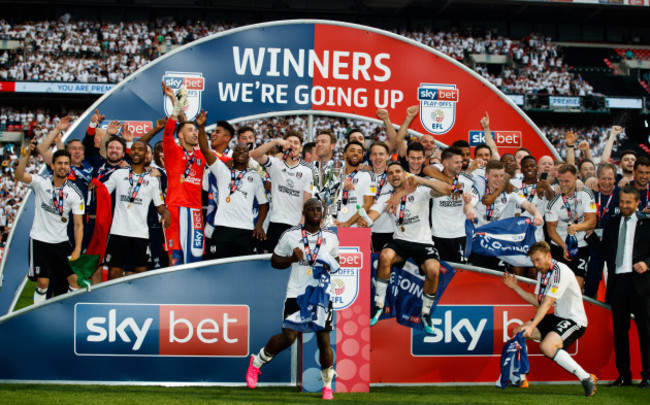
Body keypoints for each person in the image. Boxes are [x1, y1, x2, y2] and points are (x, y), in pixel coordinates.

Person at [246, 199, 339, 400]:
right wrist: (291, 259)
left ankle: (327, 386)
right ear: (304, 212)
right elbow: (275, 261)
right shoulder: (290, 235)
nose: (316, 212)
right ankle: (257, 362)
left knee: (324, 340)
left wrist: (328, 265)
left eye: (318, 209)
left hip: (320, 294)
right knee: (288, 337)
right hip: (296, 293)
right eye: (311, 209)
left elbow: (337, 261)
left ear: (322, 214)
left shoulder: (331, 237)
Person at [363, 162, 452, 334]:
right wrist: (364, 220)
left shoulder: (421, 191)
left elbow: (447, 189)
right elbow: (371, 218)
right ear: (387, 178)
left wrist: (420, 180)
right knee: (384, 256)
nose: (394, 175)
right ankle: (379, 304)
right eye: (390, 173)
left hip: (424, 242)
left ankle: (425, 313)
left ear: (405, 174)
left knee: (434, 271)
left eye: (398, 171)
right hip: (400, 241)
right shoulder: (385, 197)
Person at [502, 241, 597, 397]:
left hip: (575, 320)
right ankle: (520, 379)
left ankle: (586, 378)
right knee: (518, 331)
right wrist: (516, 288)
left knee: (547, 346)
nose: (536, 264)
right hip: (559, 317)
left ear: (548, 256)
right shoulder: (543, 273)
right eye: (533, 262)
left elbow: (547, 303)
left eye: (538, 260)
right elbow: (538, 300)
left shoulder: (561, 271)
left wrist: (532, 327)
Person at [587, 185, 650, 388]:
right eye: (621, 202)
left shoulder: (647, 223)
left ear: (637, 203)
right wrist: (591, 236)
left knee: (646, 332)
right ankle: (624, 376)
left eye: (628, 202)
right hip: (618, 284)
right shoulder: (612, 223)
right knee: (620, 332)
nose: (624, 205)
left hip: (641, 284)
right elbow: (605, 251)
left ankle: (648, 376)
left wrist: (648, 263)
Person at [16, 143, 84, 304]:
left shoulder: (74, 193)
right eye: (59, 163)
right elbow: (19, 175)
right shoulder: (40, 182)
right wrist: (26, 155)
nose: (63, 167)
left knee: (75, 281)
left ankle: (67, 315)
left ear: (69, 167)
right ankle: (38, 314)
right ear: (53, 165)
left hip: (61, 243)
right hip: (39, 241)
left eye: (66, 164)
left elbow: (78, 225)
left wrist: (77, 249)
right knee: (43, 282)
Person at [197, 110, 269, 258]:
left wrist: (259, 225)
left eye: (244, 150)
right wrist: (202, 127)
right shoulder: (222, 170)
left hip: (246, 230)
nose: (241, 152)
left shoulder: (254, 177)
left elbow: (263, 204)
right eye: (238, 150)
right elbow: (205, 149)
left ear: (248, 155)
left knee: (243, 270)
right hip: (223, 228)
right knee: (217, 267)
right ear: (233, 154)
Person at [102, 141, 171, 279]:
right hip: (118, 231)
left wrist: (165, 212)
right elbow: (103, 192)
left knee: (141, 274)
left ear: (145, 154)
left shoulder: (152, 179)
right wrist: (96, 184)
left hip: (140, 233)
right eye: (133, 149)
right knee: (114, 273)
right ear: (129, 152)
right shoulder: (118, 174)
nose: (136, 152)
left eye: (140, 149)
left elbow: (159, 204)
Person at [161, 82, 206, 265]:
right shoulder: (172, 149)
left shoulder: (202, 154)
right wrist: (175, 102)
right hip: (174, 208)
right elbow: (170, 129)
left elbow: (226, 160)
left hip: (195, 209)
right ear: (180, 136)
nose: (195, 132)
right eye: (190, 130)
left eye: (196, 130)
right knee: (175, 256)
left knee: (195, 257)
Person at [251, 130, 313, 252]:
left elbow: (307, 198)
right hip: (276, 222)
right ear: (284, 145)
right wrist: (275, 141)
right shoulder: (275, 164)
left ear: (300, 148)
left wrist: (303, 219)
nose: (293, 145)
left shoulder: (307, 171)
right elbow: (255, 155)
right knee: (271, 261)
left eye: (296, 143)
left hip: (295, 224)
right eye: (289, 142)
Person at [546, 164, 597, 288]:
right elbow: (551, 230)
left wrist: (576, 228)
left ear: (575, 179)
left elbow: (592, 222)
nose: (563, 184)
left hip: (580, 246)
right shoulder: (553, 201)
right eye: (560, 180)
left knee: (577, 287)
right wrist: (565, 247)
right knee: (557, 286)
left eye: (567, 181)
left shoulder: (586, 194)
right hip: (559, 247)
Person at [429, 147, 476, 262]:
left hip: (460, 234)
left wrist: (469, 201)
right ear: (445, 163)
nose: (460, 165)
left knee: (461, 273)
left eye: (461, 162)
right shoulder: (433, 180)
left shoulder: (467, 181)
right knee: (440, 273)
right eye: (456, 162)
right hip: (437, 235)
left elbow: (469, 202)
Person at [583, 163, 620, 299]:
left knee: (613, 286)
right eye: (603, 178)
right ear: (597, 178)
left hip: (613, 247)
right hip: (593, 242)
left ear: (615, 179)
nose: (606, 182)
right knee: (591, 283)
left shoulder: (621, 195)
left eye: (610, 178)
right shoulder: (591, 194)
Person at [332, 141, 374, 228]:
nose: (356, 153)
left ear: (362, 157)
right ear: (344, 155)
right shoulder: (333, 175)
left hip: (355, 227)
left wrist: (348, 223)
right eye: (352, 150)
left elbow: (368, 204)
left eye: (359, 152)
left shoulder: (368, 175)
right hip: (333, 225)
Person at [367, 141, 393, 251]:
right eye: (374, 154)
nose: (378, 158)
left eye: (381, 154)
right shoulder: (363, 176)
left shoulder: (396, 176)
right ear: (370, 157)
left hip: (390, 231)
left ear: (387, 156)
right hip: (367, 230)